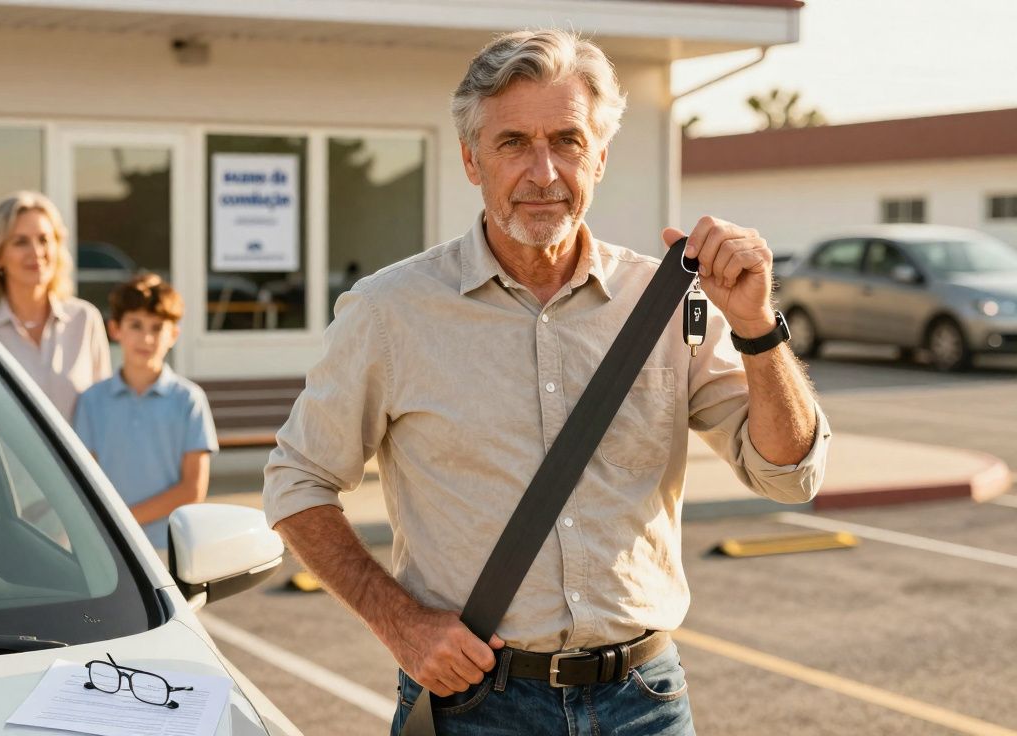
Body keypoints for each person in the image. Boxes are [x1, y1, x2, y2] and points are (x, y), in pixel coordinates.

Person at [262, 30, 831, 735]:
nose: (543, 172)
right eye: (512, 144)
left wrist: (755, 323)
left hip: (644, 703)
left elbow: (788, 475)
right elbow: (296, 480)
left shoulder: (666, 301)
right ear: (471, 160)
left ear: (600, 154)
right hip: (474, 705)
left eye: (566, 139)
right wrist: (401, 624)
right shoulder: (390, 312)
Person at [73, 274, 218, 550]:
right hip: (108, 545)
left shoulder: (189, 400)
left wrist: (123, 519)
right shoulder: (92, 401)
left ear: (173, 334)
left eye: (157, 327)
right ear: (115, 329)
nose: (146, 337)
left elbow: (193, 490)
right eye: (136, 325)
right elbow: (86, 477)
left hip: (171, 546)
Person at [0, 191, 111, 421]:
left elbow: (103, 417)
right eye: (20, 241)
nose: (36, 252)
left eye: (44, 239)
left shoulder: (84, 320)